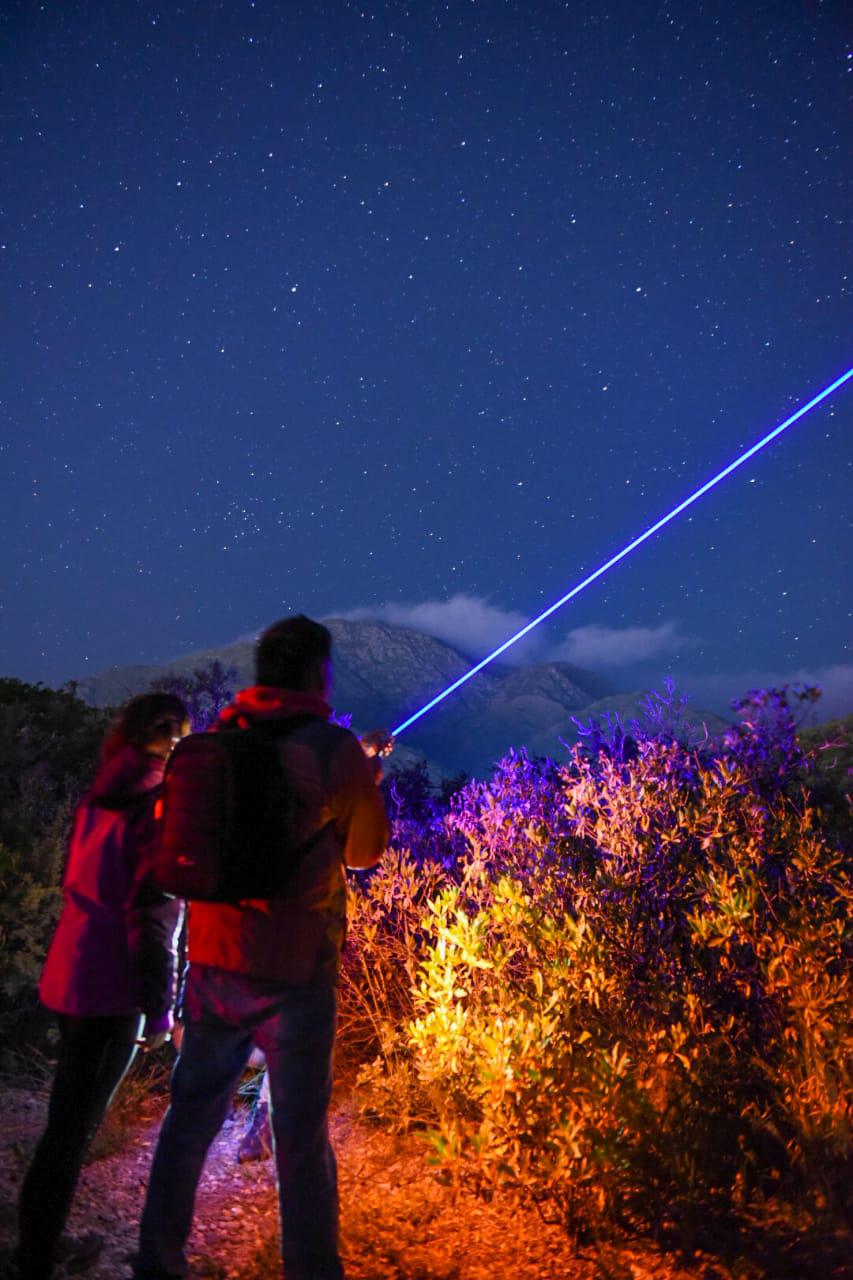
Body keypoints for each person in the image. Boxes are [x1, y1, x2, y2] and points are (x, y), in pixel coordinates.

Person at [132, 615, 391, 1280]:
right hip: (296, 971)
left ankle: (156, 1262)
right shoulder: (334, 752)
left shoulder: (216, 744)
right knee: (301, 1142)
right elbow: (363, 854)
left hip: (213, 961)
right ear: (318, 673)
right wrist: (365, 780)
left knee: (190, 1120)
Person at [10, 693, 189, 1280]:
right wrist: (160, 1012)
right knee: (72, 1130)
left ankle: (38, 1241)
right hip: (109, 985)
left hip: (72, 969)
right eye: (176, 734)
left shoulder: (102, 792)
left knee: (66, 1120)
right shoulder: (151, 806)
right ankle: (33, 1258)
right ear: (166, 738)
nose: (179, 742)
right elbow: (150, 912)